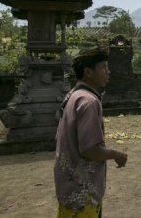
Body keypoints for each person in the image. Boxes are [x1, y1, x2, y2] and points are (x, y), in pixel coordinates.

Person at [54, 47, 128, 217]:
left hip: (69, 186)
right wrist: (116, 154)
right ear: (88, 72)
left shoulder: (73, 95)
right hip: (82, 192)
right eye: (103, 67)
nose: (108, 72)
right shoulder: (88, 102)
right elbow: (89, 150)